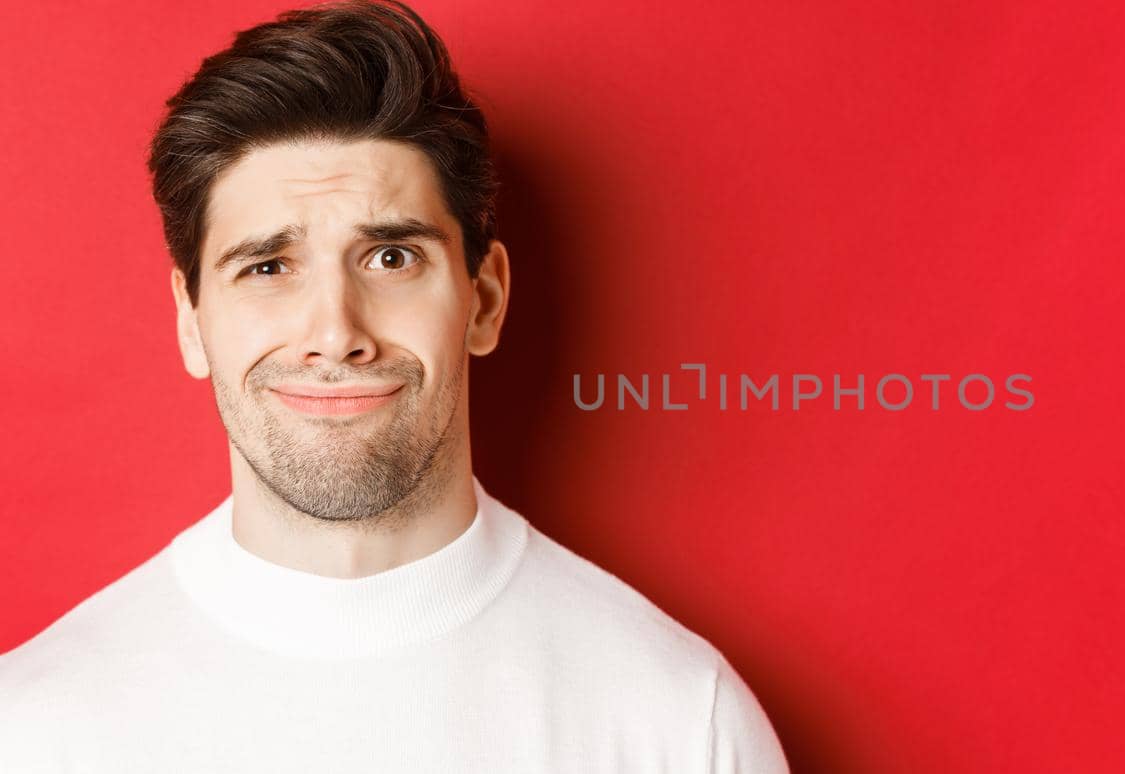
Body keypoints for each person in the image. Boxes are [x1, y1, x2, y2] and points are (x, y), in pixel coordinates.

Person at [0, 1, 789, 771]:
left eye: (391, 259)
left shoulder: (682, 724)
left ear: (484, 299)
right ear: (190, 319)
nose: (336, 332)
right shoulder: (35, 729)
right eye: (268, 267)